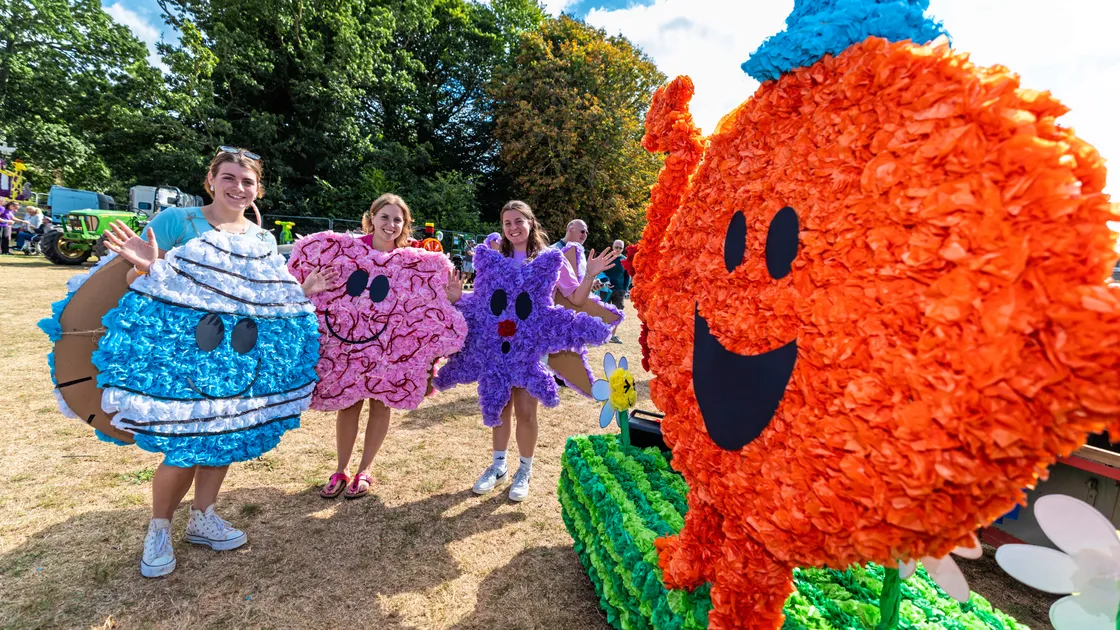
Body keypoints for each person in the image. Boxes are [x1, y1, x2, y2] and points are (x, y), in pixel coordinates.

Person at [102, 147, 336, 578]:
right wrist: (146, 267)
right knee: (182, 447)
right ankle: (159, 529)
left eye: (247, 182)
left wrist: (301, 292)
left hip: (239, 357)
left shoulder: (261, 237)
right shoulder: (177, 223)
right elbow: (137, 284)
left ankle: (203, 517)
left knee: (225, 434)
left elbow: (263, 297)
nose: (238, 188)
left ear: (257, 189)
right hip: (184, 355)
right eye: (228, 178)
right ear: (210, 180)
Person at [317, 193, 464, 499]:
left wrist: (450, 298)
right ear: (371, 218)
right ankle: (340, 469)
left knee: (380, 404)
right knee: (348, 405)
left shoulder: (413, 261)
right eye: (385, 217)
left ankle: (364, 470)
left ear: (405, 225)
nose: (391, 224)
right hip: (351, 346)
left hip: (389, 349)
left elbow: (426, 305)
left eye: (398, 219)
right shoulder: (350, 252)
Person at [469, 201, 618, 501]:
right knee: (499, 408)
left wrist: (589, 275)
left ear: (530, 222)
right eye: (507, 222)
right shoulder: (499, 258)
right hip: (500, 347)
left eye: (518, 221)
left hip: (532, 349)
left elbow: (575, 298)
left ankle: (524, 470)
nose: (513, 228)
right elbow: (484, 300)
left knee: (525, 411)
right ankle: (499, 467)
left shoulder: (552, 258)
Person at [601, 239, 630, 343]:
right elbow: (600, 272)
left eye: (620, 248)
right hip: (605, 290)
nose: (618, 249)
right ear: (612, 247)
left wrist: (625, 289)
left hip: (619, 290)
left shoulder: (625, 260)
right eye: (616, 247)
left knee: (617, 314)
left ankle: (613, 335)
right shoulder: (606, 258)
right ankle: (603, 335)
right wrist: (604, 282)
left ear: (623, 249)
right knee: (603, 312)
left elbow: (628, 277)